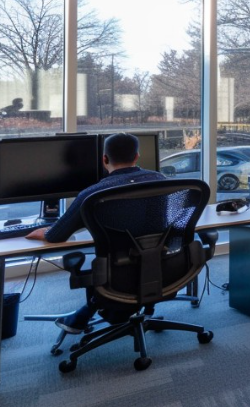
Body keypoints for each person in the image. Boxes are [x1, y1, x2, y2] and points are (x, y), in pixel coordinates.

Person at [26, 133, 167, 333]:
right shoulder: (161, 180)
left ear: (104, 159)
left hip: (117, 275)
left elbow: (56, 236)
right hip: (164, 268)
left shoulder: (93, 194)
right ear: (137, 156)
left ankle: (93, 309)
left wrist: (42, 231)